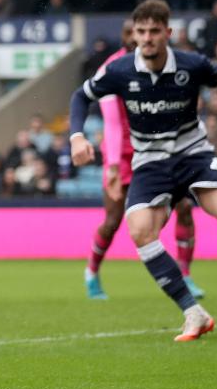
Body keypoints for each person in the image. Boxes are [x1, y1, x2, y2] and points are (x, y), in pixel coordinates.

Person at [70, 0, 217, 342]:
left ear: (168, 32)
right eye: (141, 32)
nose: (147, 38)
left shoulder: (192, 64)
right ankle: (193, 313)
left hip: (193, 155)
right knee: (140, 231)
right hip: (150, 163)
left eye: (154, 31)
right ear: (134, 34)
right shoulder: (120, 70)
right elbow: (80, 96)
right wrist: (77, 136)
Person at [83, 20, 203, 301]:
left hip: (159, 149)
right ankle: (92, 272)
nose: (137, 39)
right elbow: (113, 124)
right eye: (131, 34)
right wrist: (114, 167)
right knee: (113, 220)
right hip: (123, 154)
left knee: (185, 206)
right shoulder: (111, 70)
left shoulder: (163, 63)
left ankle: (185, 274)